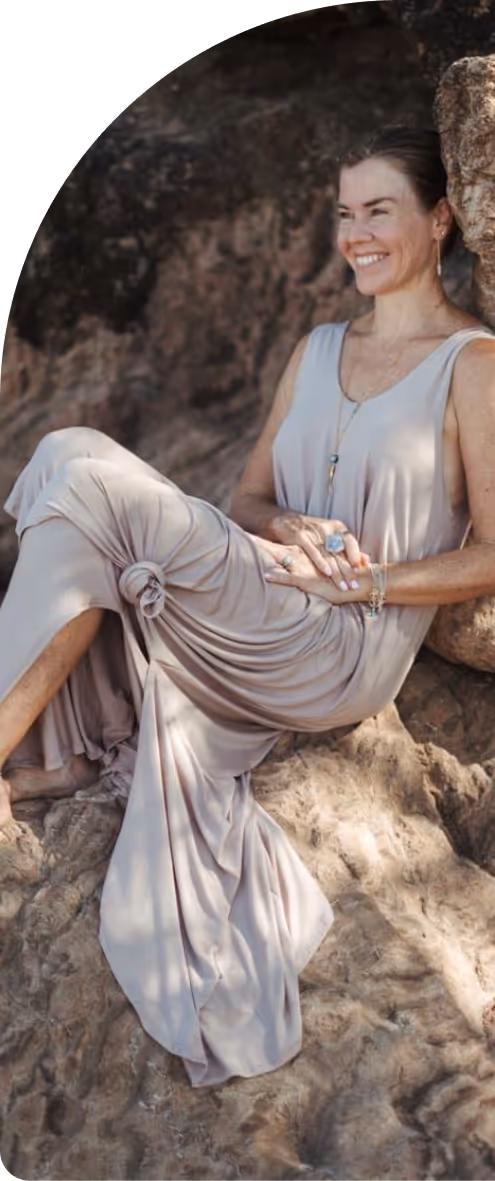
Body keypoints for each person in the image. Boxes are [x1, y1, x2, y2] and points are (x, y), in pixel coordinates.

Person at [0, 126, 494, 1087]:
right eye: (344, 213)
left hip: (342, 646)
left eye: (378, 210)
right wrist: (295, 527)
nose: (355, 233)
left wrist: (371, 581)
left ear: (438, 219)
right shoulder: (316, 348)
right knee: (79, 485)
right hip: (269, 594)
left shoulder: (472, 363)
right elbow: (247, 501)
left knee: (72, 458)